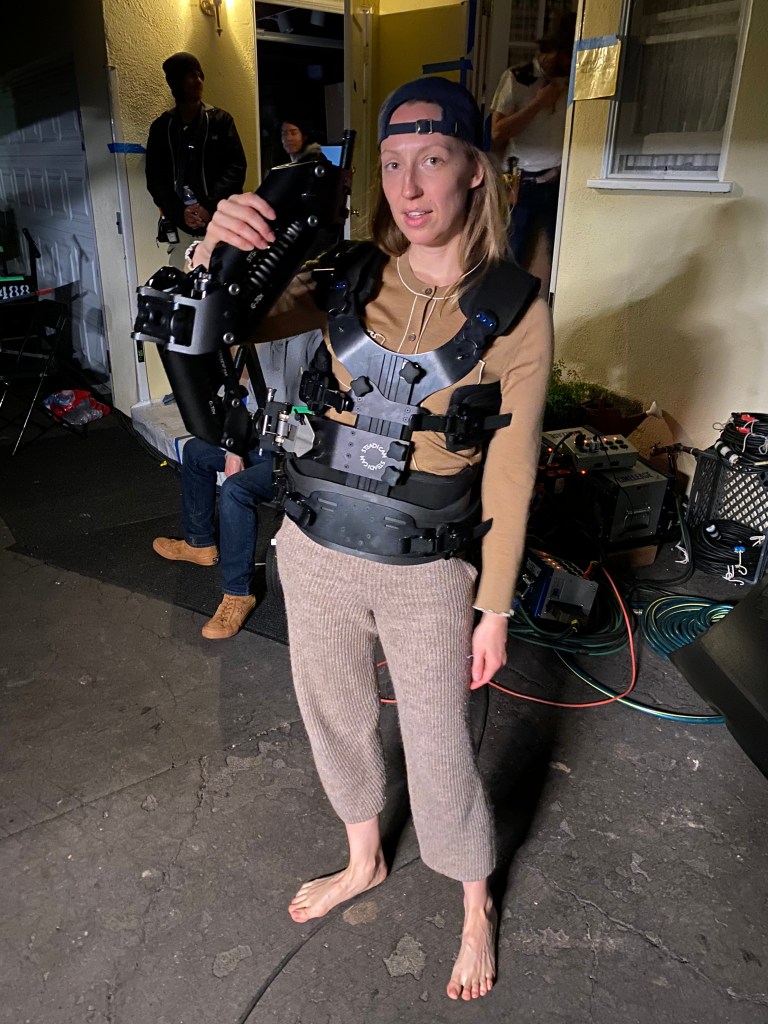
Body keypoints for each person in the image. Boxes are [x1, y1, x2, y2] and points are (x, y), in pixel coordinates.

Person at [190, 77, 553, 1000]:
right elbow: (229, 320)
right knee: (335, 715)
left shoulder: (516, 307)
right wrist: (213, 249)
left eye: (432, 159)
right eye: (392, 164)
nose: (409, 186)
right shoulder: (349, 276)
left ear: (476, 169)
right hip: (313, 545)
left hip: (424, 567)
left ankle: (474, 903)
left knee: (438, 747)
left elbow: (511, 470)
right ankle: (364, 859)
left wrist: (494, 607)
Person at [152, 332, 322, 639]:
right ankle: (199, 543)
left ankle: (238, 593)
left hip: (300, 452)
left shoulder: (317, 334)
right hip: (261, 436)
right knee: (196, 452)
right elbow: (242, 398)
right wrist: (233, 448)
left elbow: (317, 408)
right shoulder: (261, 332)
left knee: (236, 490)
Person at [145, 52, 247, 262]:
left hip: (221, 222)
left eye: (200, 75)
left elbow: (236, 168)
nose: (198, 81)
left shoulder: (220, 120)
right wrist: (179, 212)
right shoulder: (162, 127)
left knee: (225, 275)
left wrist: (209, 206)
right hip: (181, 229)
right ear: (176, 83)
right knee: (184, 277)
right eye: (191, 75)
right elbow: (156, 178)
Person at [490, 21, 575, 268]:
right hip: (521, 181)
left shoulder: (573, 81)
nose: (573, 64)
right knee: (513, 253)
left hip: (559, 181)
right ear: (556, 51)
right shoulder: (517, 78)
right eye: (570, 57)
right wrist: (538, 104)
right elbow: (498, 132)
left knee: (560, 254)